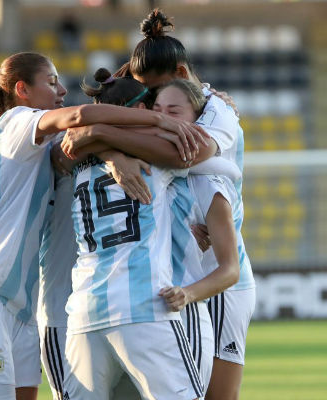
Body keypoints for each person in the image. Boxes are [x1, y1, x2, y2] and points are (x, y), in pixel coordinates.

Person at [0, 52, 208, 400]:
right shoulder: (16, 122)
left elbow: (75, 142)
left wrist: (109, 151)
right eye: (51, 82)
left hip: (28, 303)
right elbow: (80, 118)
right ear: (22, 89)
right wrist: (164, 123)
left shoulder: (52, 145)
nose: (61, 91)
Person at [59, 68, 214, 400]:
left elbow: (65, 148)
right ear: (138, 111)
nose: (157, 114)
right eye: (151, 107)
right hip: (142, 306)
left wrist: (101, 140)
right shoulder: (151, 156)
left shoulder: (78, 161)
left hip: (85, 310)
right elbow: (202, 148)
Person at [127, 10, 256, 400]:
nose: (149, 102)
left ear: (182, 75)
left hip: (215, 276)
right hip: (176, 277)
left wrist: (107, 140)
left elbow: (187, 153)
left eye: (156, 90)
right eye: (144, 93)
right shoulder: (166, 108)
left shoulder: (217, 111)